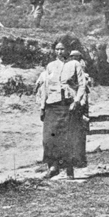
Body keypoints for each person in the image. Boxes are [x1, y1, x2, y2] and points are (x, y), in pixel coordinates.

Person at [40, 41, 88, 179]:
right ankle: (53, 166)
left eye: (62, 49)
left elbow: (82, 85)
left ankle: (69, 168)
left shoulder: (74, 65)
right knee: (49, 137)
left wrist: (77, 101)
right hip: (52, 105)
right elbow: (45, 87)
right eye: (57, 49)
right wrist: (42, 107)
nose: (60, 52)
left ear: (68, 50)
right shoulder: (50, 66)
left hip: (69, 105)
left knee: (69, 138)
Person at [70, 49, 92, 126]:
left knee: (83, 106)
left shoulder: (83, 64)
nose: (75, 58)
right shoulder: (70, 65)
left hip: (82, 86)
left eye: (77, 56)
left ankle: (84, 127)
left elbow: (86, 75)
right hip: (73, 88)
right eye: (73, 56)